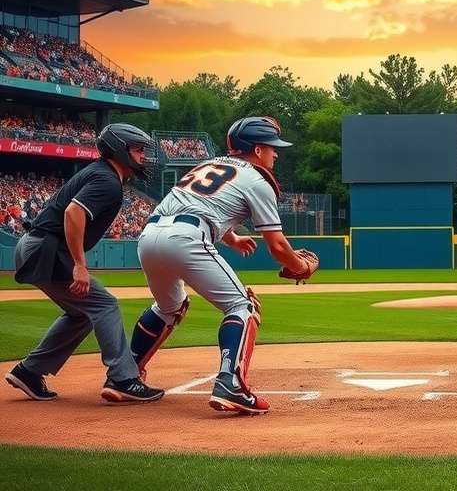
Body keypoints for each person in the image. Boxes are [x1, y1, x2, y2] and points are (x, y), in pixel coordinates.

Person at [128, 116, 319, 415]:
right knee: (243, 306)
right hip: (186, 238)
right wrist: (301, 267)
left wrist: (230, 238)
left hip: (149, 236)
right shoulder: (258, 180)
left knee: (169, 306)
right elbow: (278, 246)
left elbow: (195, 203)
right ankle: (230, 383)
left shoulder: (207, 165)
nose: (276, 153)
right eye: (272, 148)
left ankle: (124, 376)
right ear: (257, 150)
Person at [4, 123, 164, 403]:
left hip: (37, 246)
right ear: (119, 150)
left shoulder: (103, 175)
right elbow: (73, 213)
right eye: (138, 150)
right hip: (46, 249)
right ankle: (123, 377)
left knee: (82, 314)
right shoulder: (107, 181)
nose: (143, 156)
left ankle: (29, 372)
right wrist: (80, 264)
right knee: (105, 305)